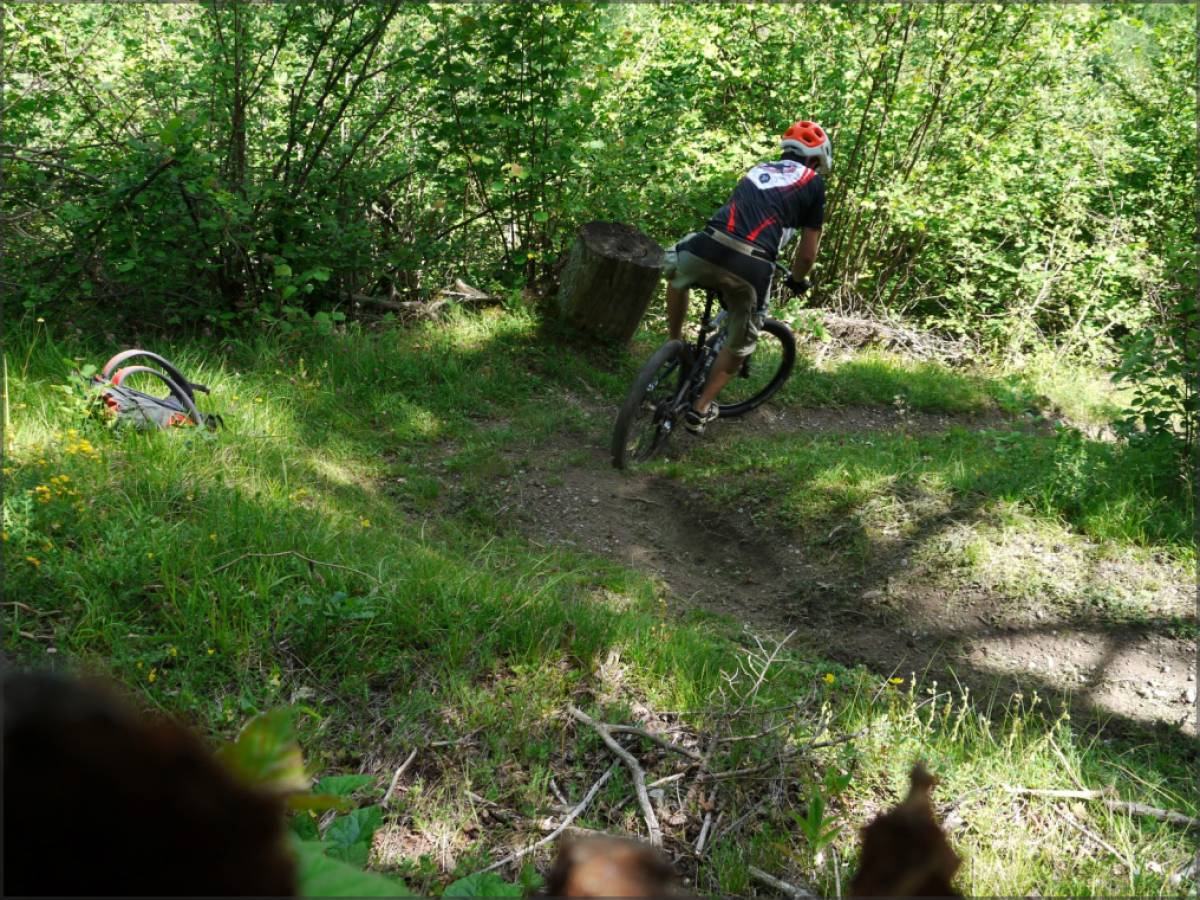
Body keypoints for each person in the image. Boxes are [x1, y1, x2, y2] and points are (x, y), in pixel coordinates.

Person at [663, 120, 831, 434]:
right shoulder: (814, 183)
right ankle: (700, 408)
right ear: (816, 160)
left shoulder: (760, 168)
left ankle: (674, 343)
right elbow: (807, 255)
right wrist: (797, 279)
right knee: (741, 344)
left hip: (706, 245)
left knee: (675, 267)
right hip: (751, 267)